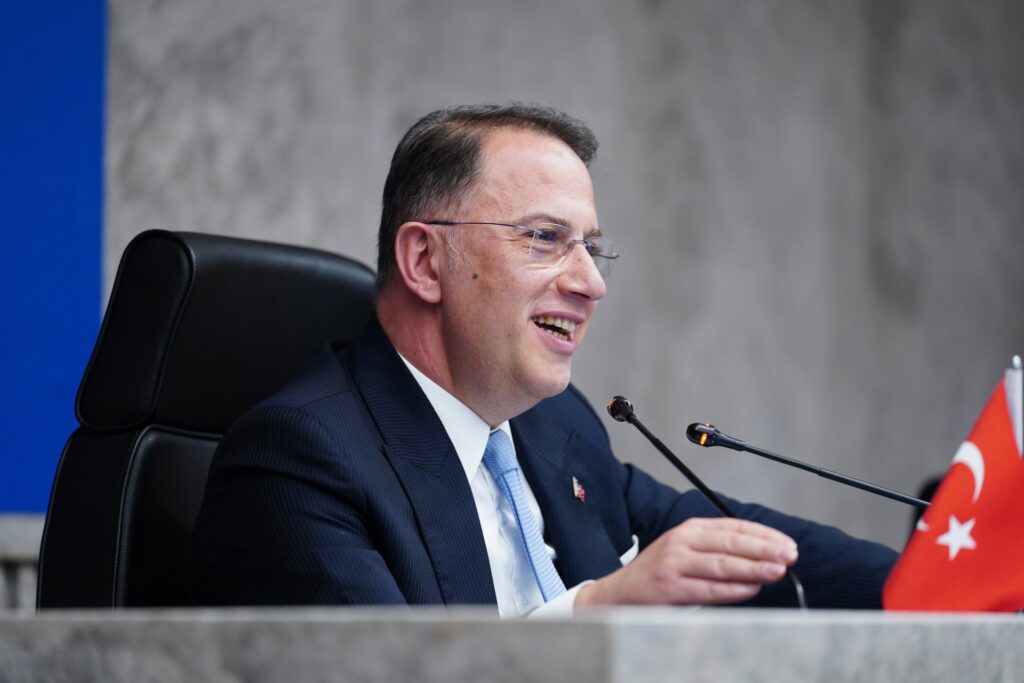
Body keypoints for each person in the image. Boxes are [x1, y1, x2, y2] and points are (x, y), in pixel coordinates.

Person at [189, 103, 896, 615]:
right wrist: (598, 611)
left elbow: (731, 545)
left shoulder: (558, 427)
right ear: (425, 261)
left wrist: (930, 580)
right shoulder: (299, 460)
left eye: (592, 247)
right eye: (545, 238)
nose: (591, 282)